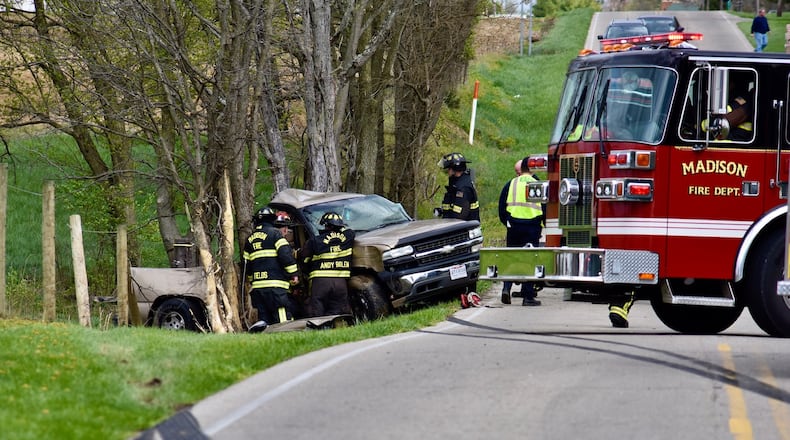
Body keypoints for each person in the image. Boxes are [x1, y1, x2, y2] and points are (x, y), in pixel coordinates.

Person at [243, 206, 300, 326]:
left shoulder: (249, 240)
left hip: (258, 288)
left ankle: (267, 341)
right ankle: (284, 340)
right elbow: (286, 257)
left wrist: (253, 280)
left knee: (264, 319)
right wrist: (294, 275)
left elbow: (246, 266)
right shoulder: (275, 234)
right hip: (276, 287)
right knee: (282, 320)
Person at [498, 157, 543, 306]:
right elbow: (545, 206)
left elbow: (501, 207)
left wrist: (508, 222)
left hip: (514, 226)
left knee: (511, 257)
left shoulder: (511, 183)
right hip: (532, 226)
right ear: (531, 169)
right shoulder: (537, 184)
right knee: (530, 260)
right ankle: (528, 296)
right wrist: (543, 223)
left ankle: (506, 288)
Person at [299, 212, 355, 317]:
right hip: (340, 282)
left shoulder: (315, 240)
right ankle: (335, 330)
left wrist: (306, 271)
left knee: (317, 310)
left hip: (320, 282)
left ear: (326, 225)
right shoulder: (348, 237)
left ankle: (320, 330)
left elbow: (304, 259)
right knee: (338, 311)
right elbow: (349, 231)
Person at [437, 152, 480, 221]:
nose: (448, 172)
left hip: (466, 229)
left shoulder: (463, 188)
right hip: (459, 227)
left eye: (449, 169)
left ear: (454, 169)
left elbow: (459, 216)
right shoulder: (457, 183)